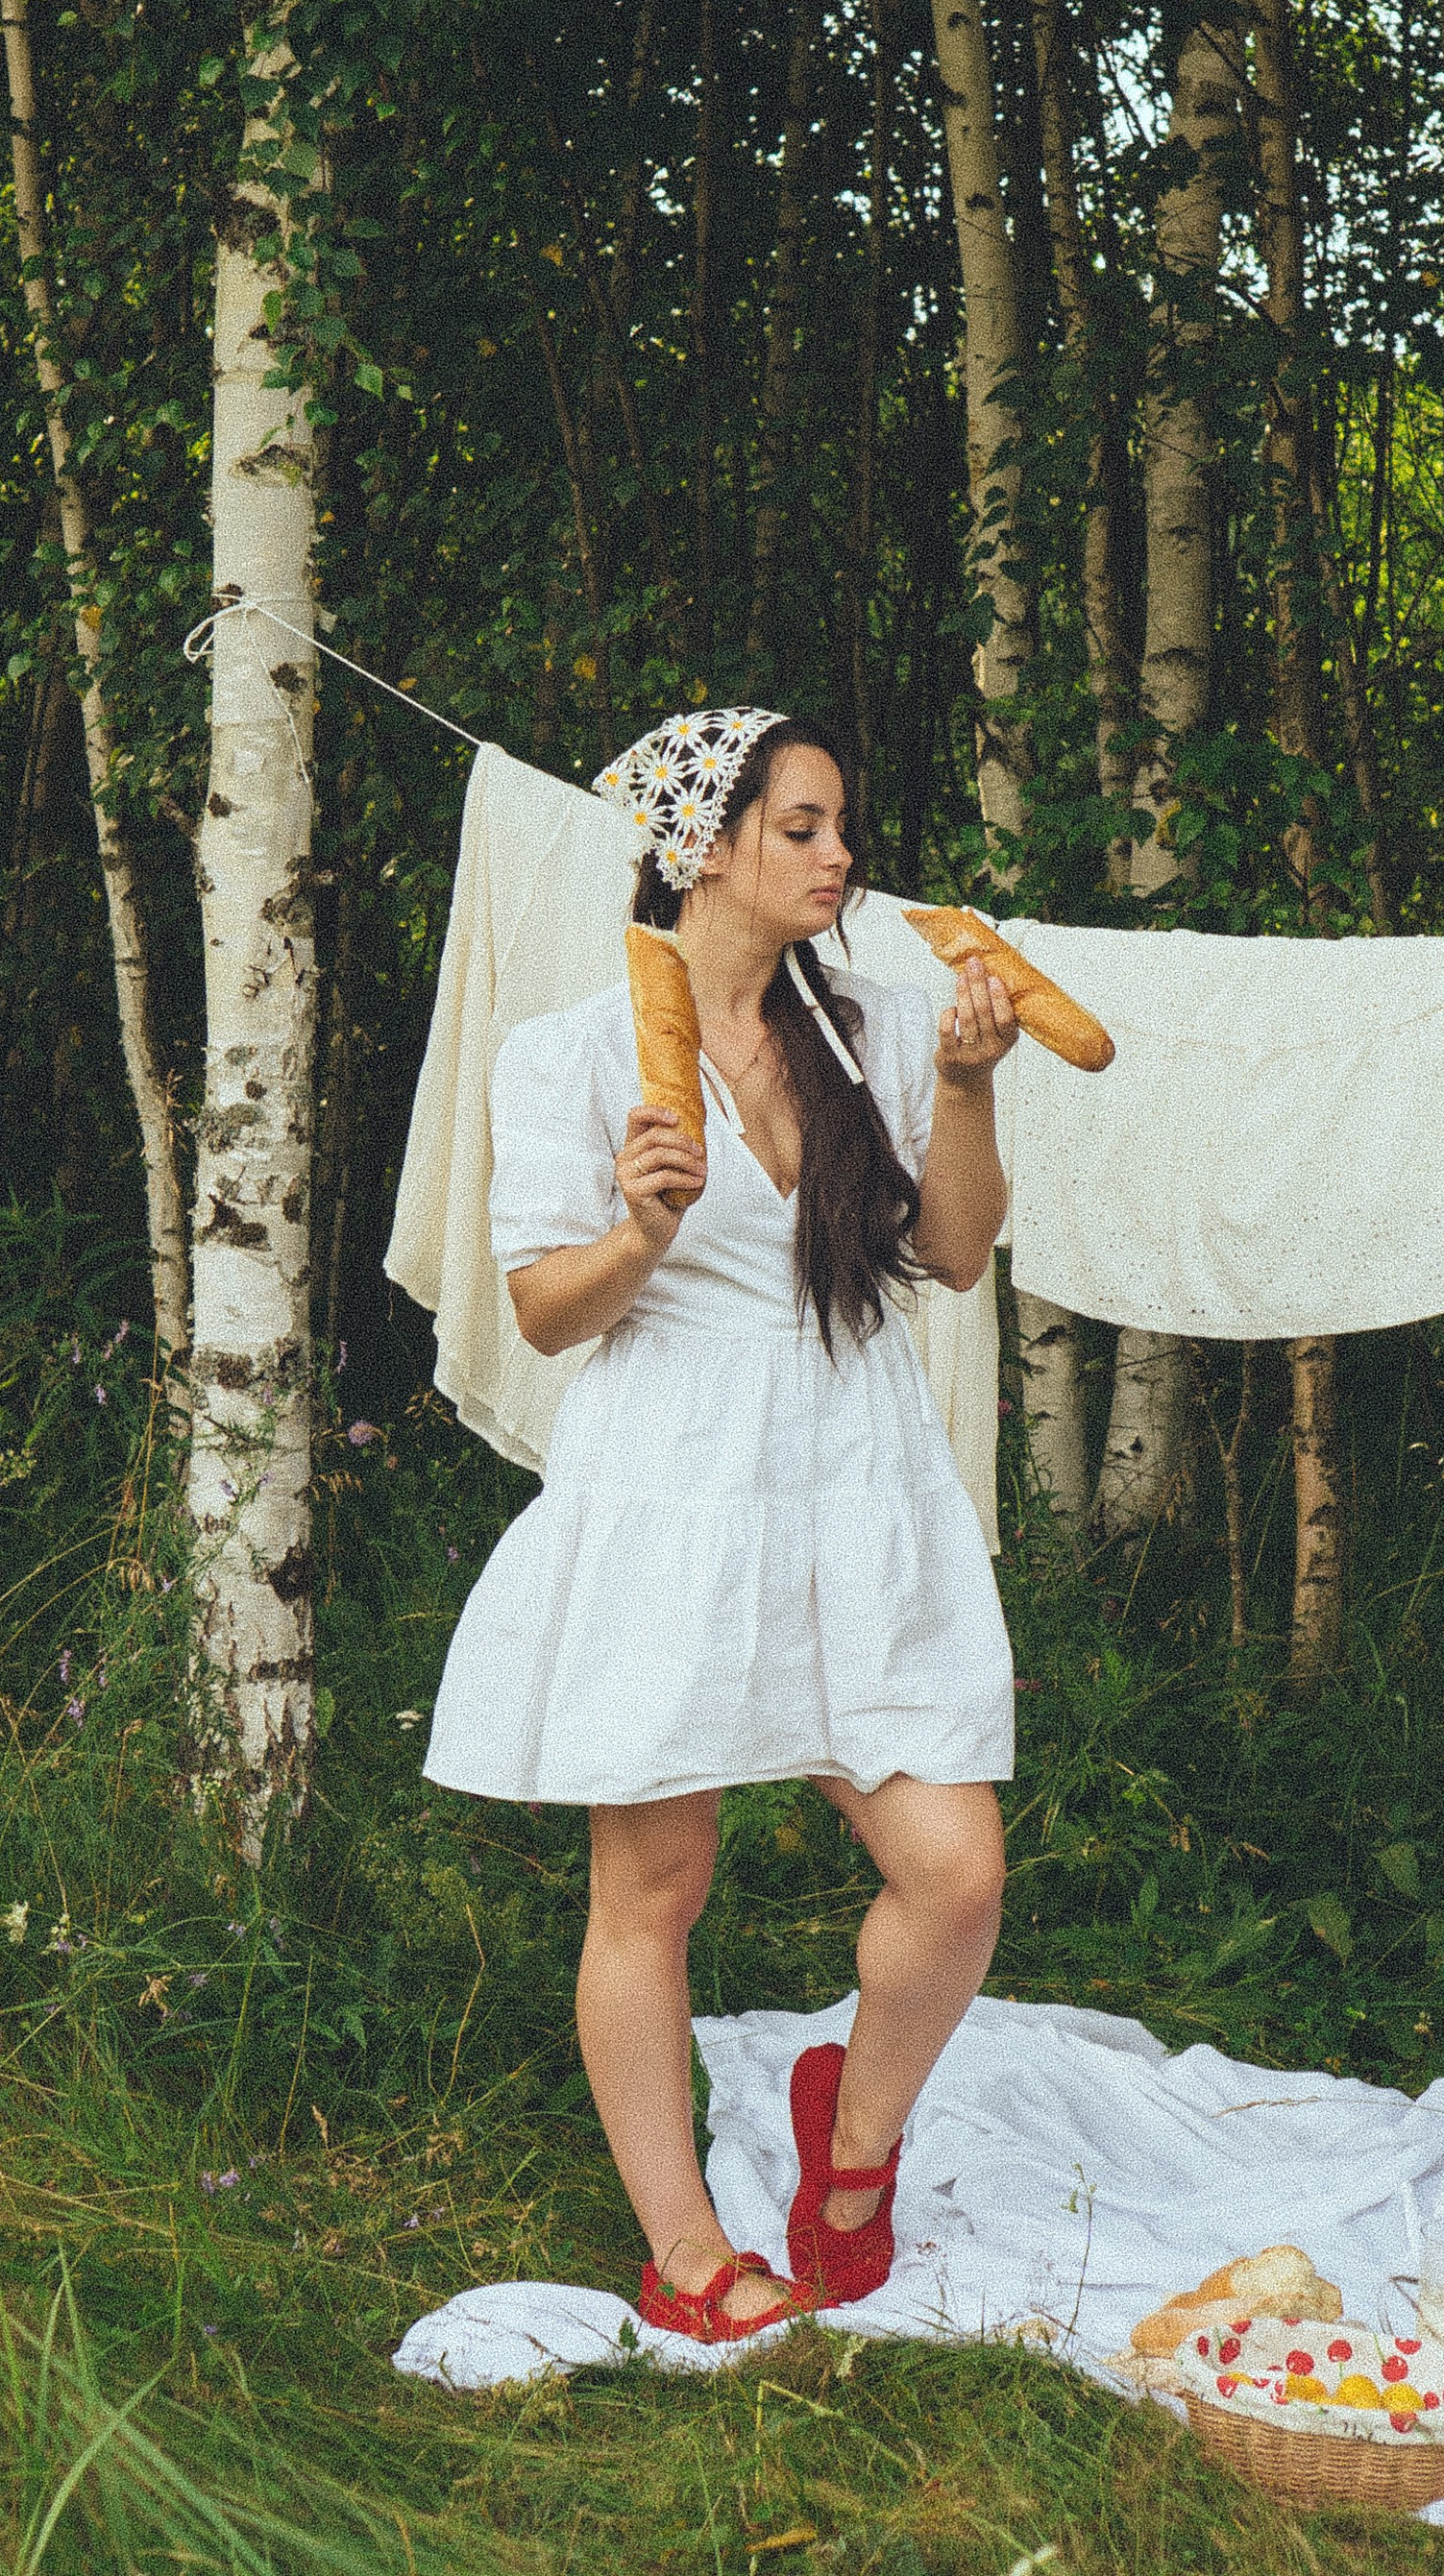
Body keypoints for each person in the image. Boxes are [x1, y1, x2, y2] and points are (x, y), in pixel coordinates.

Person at [423, 707, 1017, 2341]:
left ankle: (854, 2146)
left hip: (855, 1474)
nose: (842, 858)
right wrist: (638, 1229)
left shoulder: (886, 1034)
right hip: (674, 1479)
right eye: (806, 828)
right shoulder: (572, 1052)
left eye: (844, 829)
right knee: (656, 1886)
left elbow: (956, 1255)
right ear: (705, 844)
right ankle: (686, 2252)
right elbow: (548, 1314)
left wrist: (965, 1085)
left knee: (954, 1871)